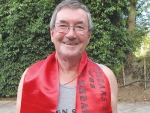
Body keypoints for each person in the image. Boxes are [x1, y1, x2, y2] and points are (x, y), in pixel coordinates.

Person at [16, 0, 118, 113]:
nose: (70, 34)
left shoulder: (106, 77)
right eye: (63, 26)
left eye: (79, 27)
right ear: (52, 34)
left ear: (89, 36)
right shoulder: (30, 77)